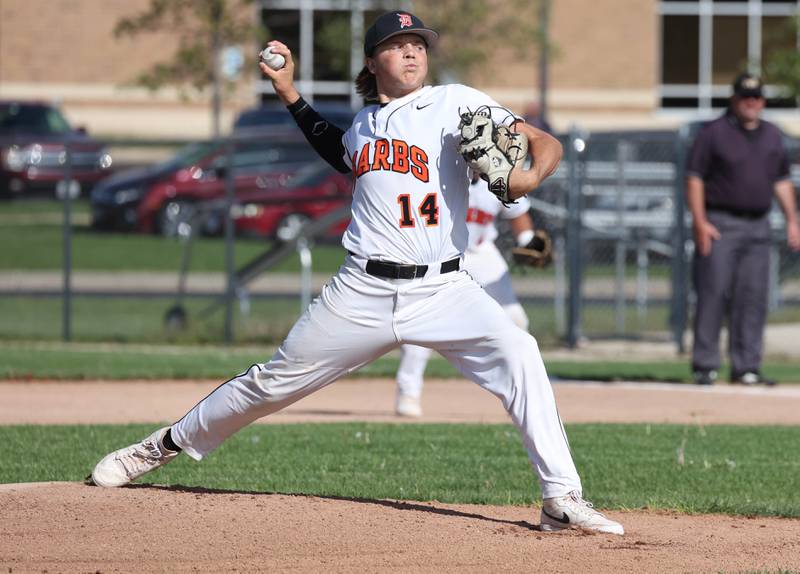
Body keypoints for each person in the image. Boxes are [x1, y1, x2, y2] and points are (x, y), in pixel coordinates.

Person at [90, 10, 623, 535]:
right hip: (362, 289)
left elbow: (542, 141)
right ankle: (161, 445)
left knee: (521, 351)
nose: (412, 50)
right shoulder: (363, 126)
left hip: (444, 287)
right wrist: (286, 90)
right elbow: (333, 143)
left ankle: (560, 497)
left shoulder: (456, 102)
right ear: (372, 60)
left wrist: (529, 177)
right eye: (397, 43)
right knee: (270, 384)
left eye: (419, 43)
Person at [686, 72, 800, 386]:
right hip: (721, 223)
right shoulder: (714, 133)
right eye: (745, 97)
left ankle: (746, 366)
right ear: (735, 100)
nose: (752, 103)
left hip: (759, 226)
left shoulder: (772, 135)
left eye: (757, 98)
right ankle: (705, 365)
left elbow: (781, 180)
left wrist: (793, 219)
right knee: (713, 292)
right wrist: (700, 221)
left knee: (753, 296)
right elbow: (694, 177)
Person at [395, 173, 539, 418]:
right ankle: (408, 390)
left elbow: (518, 215)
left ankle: (523, 391)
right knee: (421, 325)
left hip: (481, 252)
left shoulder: (496, 174)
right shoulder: (438, 174)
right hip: (441, 252)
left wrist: (529, 241)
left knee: (516, 320)